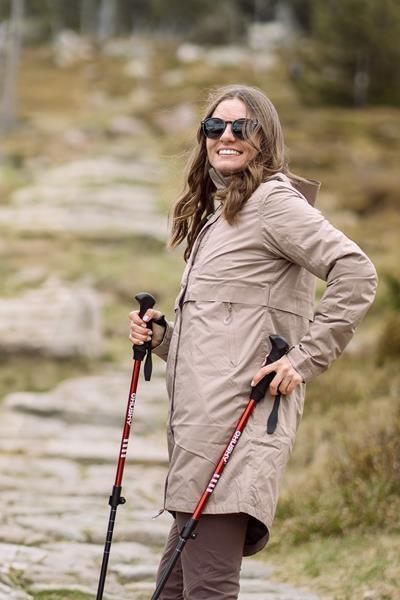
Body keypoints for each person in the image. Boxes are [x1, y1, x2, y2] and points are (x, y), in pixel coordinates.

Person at [128, 84, 377, 599]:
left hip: (237, 429)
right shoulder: (225, 214)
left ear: (266, 137)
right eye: (215, 126)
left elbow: (355, 271)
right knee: (173, 591)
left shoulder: (272, 204)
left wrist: (304, 359)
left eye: (242, 126)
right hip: (202, 432)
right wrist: (162, 338)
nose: (226, 135)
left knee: (208, 589)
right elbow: (226, 334)